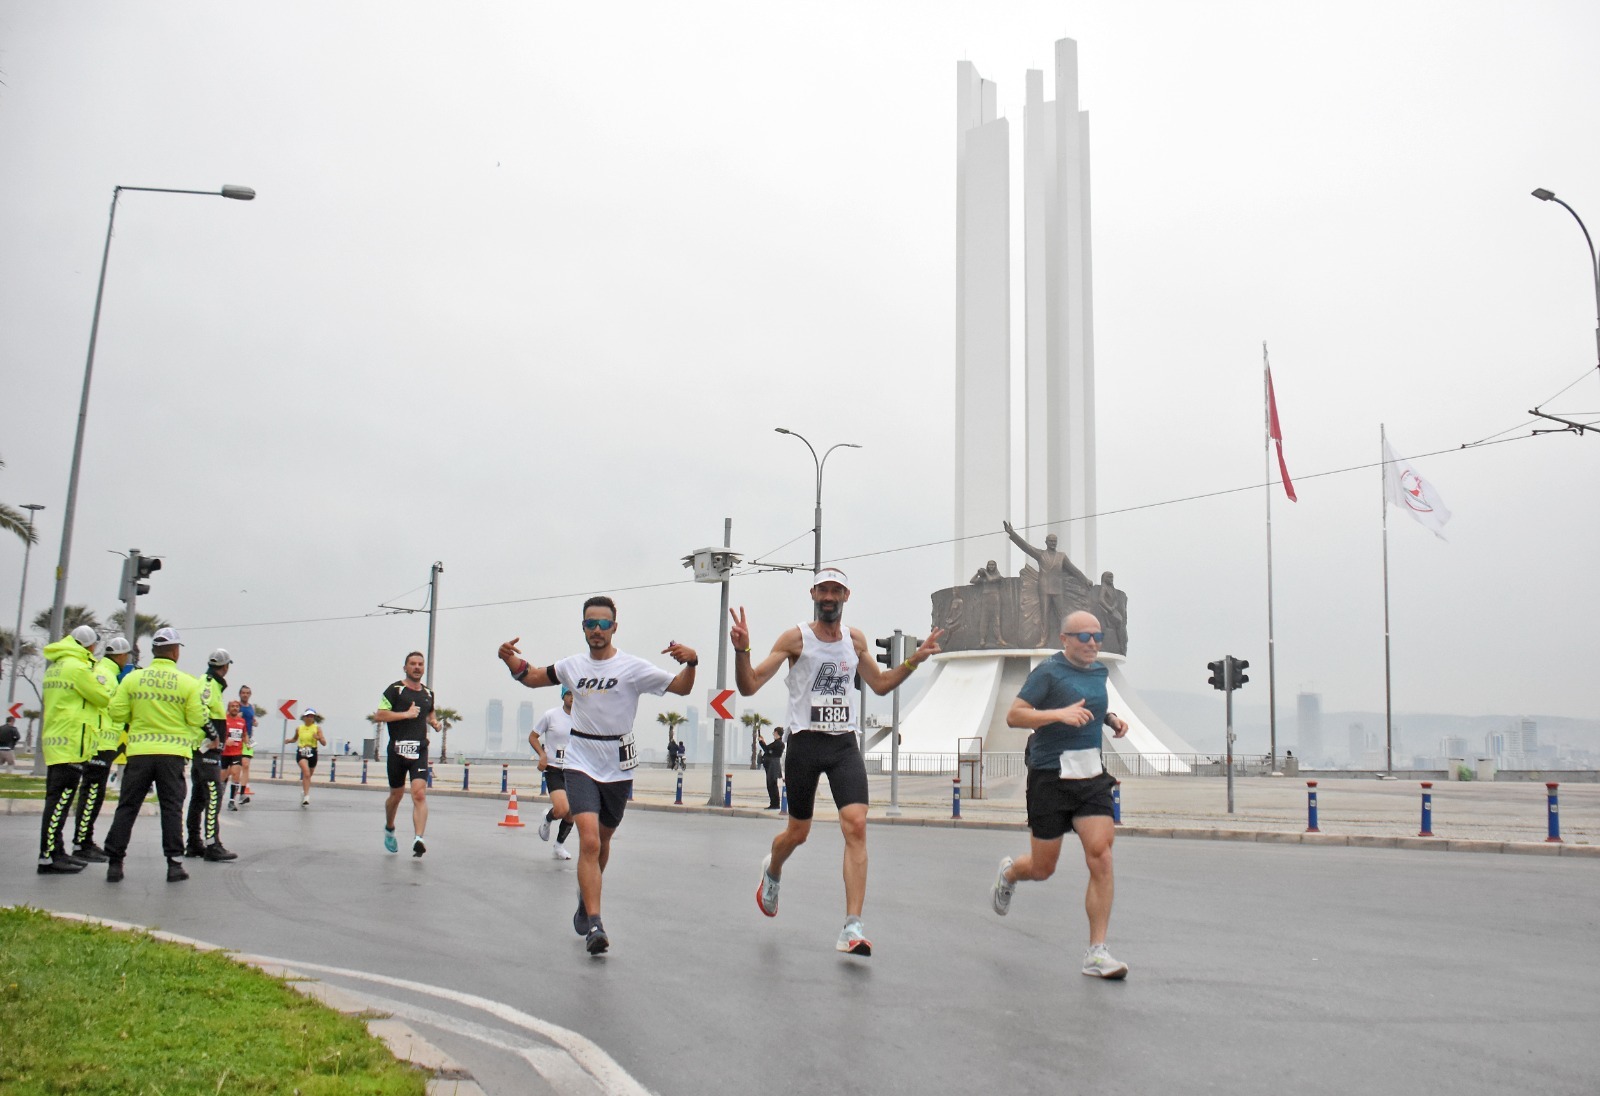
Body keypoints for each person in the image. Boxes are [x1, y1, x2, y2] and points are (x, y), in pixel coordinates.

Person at [732, 568, 943, 956]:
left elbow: (879, 684)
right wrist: (742, 650)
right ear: (813, 593)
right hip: (805, 745)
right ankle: (773, 869)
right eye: (823, 590)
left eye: (836, 590)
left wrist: (914, 660)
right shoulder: (796, 638)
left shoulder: (855, 639)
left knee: (857, 826)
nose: (829, 596)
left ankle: (852, 926)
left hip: (844, 743)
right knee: (798, 832)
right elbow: (749, 685)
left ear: (846, 595)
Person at [498, 595, 697, 955]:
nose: (597, 630)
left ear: (614, 628)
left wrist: (693, 662)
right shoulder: (572, 666)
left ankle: (585, 896)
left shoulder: (633, 668)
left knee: (603, 843)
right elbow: (533, 677)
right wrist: (510, 660)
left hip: (618, 764)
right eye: (590, 623)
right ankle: (595, 924)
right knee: (588, 841)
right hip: (580, 761)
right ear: (583, 627)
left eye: (604, 624)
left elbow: (682, 687)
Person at [989, 610, 1131, 979]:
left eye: (1097, 636)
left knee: (1101, 855)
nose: (1093, 643)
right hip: (1050, 776)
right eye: (1084, 637)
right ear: (1064, 639)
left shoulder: (1099, 672)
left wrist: (1110, 719)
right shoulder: (1047, 672)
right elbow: (1015, 716)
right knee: (1042, 867)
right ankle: (1010, 873)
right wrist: (1058, 715)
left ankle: (1096, 952)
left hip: (1090, 776)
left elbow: (1090, 705)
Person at [103, 627, 207, 883]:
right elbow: (197, 718)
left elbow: (116, 713)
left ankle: (115, 864)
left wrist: (138, 717)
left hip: (139, 753)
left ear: (153, 651)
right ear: (175, 651)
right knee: (171, 808)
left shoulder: (132, 679)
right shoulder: (188, 683)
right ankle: (174, 865)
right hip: (172, 756)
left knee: (127, 807)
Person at [37, 625, 113, 874]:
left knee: (57, 798)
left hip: (57, 739)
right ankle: (48, 856)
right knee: (59, 801)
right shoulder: (77, 667)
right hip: (71, 741)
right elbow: (102, 697)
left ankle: (57, 851)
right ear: (88, 645)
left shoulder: (57, 665)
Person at [71, 634, 133, 862]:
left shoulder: (105, 672)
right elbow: (108, 707)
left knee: (92, 793)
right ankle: (81, 843)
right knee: (92, 794)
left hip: (101, 743)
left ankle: (84, 840)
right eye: (125, 655)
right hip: (101, 744)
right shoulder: (106, 675)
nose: (126, 659)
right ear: (119, 655)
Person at [372, 652, 439, 856]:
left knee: (419, 793)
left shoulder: (428, 693)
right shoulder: (395, 690)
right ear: (405, 668)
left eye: (420, 664)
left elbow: (429, 711)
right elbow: (379, 715)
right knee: (396, 795)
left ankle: (418, 838)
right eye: (412, 664)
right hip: (397, 750)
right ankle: (390, 827)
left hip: (419, 749)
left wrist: (434, 722)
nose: (417, 667)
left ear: (423, 668)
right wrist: (405, 714)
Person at [185, 649, 238, 862]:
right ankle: (211, 844)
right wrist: (214, 735)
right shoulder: (208, 684)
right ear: (225, 667)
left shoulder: (211, 683)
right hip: (206, 749)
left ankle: (194, 843)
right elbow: (202, 713)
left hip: (203, 748)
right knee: (213, 795)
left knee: (198, 796)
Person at [1004, 521, 1093, 647]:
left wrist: (1085, 580)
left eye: (1055, 541)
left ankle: (1065, 640)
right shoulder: (1040, 554)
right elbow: (1025, 547)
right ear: (1046, 542)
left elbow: (1073, 570)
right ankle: (1043, 640)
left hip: (1058, 589)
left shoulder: (1062, 557)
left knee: (1062, 616)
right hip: (1044, 589)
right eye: (1051, 541)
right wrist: (1012, 533)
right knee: (1044, 616)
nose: (1053, 543)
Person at [529, 686, 575, 860]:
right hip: (554, 769)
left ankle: (559, 846)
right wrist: (542, 755)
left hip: (574, 770)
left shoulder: (583, 719)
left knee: (573, 812)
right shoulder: (551, 715)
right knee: (562, 809)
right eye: (569, 693)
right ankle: (548, 818)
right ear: (563, 696)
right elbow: (532, 737)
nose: (572, 697)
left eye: (575, 694)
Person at [286, 708, 327, 807]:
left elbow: (324, 743)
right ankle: (306, 797)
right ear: (304, 717)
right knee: (306, 773)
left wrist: (319, 738)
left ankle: (304, 791)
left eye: (312, 716)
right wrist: (288, 740)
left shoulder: (317, 728)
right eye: (308, 716)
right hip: (302, 752)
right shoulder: (299, 728)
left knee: (308, 775)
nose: (310, 718)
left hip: (312, 752)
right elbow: (295, 739)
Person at [221, 700, 247, 810]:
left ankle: (231, 802)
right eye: (232, 706)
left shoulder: (242, 721)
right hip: (224, 753)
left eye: (236, 706)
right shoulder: (224, 720)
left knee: (236, 774)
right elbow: (219, 734)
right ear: (228, 708)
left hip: (237, 752)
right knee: (222, 777)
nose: (235, 708)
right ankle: (218, 796)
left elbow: (244, 735)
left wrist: (248, 743)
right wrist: (225, 741)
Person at [236, 683, 256, 803]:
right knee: (233, 768)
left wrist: (254, 722)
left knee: (246, 765)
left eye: (247, 693)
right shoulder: (236, 706)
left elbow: (251, 719)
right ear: (240, 694)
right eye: (243, 693)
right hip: (237, 739)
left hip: (249, 739)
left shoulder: (251, 707)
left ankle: (242, 794)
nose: (245, 695)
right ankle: (224, 788)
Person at [759, 727, 785, 810]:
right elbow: (768, 749)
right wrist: (762, 742)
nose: (773, 734)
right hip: (772, 764)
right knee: (771, 784)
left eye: (774, 732)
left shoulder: (779, 743)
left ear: (777, 733)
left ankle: (775, 804)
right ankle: (774, 803)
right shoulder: (777, 743)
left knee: (772, 784)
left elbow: (767, 749)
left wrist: (761, 742)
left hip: (773, 765)